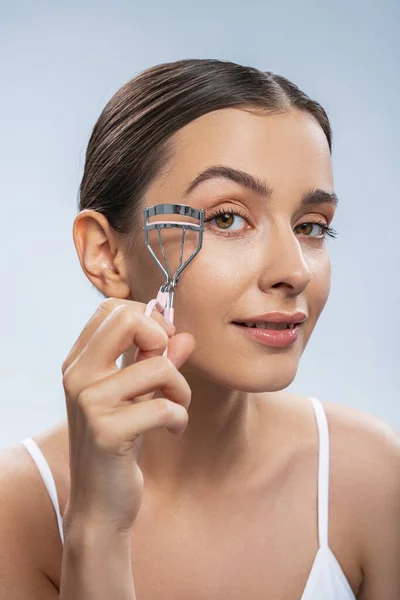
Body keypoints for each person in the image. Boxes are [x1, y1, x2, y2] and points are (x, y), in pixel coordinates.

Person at [0, 58, 399, 599]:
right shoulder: (15, 510)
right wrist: (97, 528)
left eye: (311, 226)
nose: (294, 270)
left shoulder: (372, 476)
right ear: (106, 254)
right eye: (227, 218)